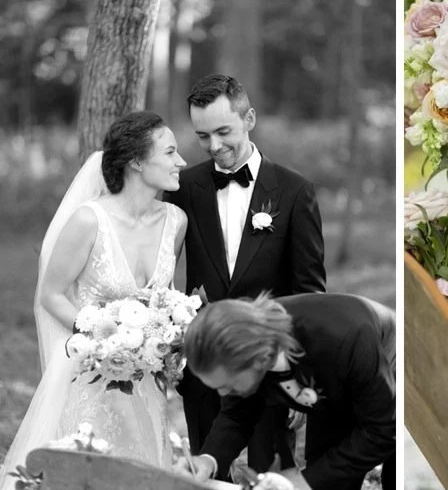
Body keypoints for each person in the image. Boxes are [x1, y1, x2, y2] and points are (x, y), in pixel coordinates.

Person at [0, 111, 188, 487]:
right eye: (169, 152)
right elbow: (50, 294)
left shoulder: (176, 220)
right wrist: (100, 340)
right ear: (137, 161)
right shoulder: (90, 220)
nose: (181, 161)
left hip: (146, 378)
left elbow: (162, 301)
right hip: (89, 374)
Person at [163, 74, 326, 475]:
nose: (214, 146)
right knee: (205, 468)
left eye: (223, 131)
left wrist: (299, 376)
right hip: (204, 361)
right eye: (203, 136)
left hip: (269, 362)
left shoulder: (294, 191)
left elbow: (309, 292)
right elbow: (161, 267)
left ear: (249, 118)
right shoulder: (183, 186)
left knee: (270, 472)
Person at [174, 293, 396, 490]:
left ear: (259, 359)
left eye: (228, 386)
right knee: (328, 474)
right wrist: (207, 459)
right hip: (329, 398)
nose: (223, 394)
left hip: (391, 368)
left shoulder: (348, 338)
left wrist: (302, 482)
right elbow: (237, 414)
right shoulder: (249, 347)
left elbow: (382, 432)